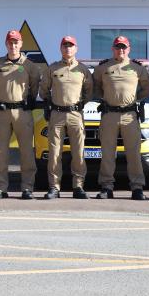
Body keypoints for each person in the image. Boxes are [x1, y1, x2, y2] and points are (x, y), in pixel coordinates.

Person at [92, 36, 149, 200]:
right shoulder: (102, 68)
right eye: (118, 47)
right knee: (107, 153)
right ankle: (106, 187)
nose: (121, 50)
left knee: (133, 152)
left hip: (129, 115)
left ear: (129, 49)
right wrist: (106, 98)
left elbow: (146, 89)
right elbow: (95, 87)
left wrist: (133, 99)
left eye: (124, 47)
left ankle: (137, 187)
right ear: (113, 49)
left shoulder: (137, 68)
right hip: (109, 115)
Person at [0, 30, 41, 200]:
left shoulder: (29, 65)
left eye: (16, 42)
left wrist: (29, 101)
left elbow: (34, 87)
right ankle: (0, 187)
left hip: (22, 112)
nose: (13, 45)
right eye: (10, 42)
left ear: (21, 44)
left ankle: (27, 188)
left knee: (26, 152)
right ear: (6, 44)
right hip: (2, 112)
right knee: (0, 152)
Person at [40, 36, 93, 199]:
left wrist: (78, 105)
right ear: (60, 48)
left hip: (76, 114)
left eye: (71, 46)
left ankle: (78, 187)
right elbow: (43, 91)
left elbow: (88, 92)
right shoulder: (53, 69)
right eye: (65, 46)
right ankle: (54, 187)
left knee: (78, 152)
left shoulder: (82, 70)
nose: (68, 48)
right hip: (56, 114)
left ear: (76, 49)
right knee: (55, 152)